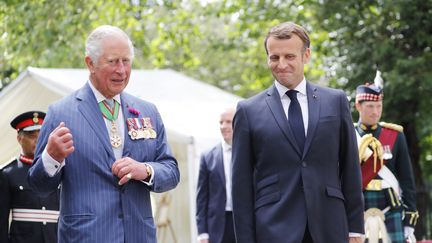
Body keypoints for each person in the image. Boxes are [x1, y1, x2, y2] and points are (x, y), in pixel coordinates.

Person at [28, 25, 180, 243]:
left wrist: (145, 170)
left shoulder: (148, 111)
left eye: (126, 61)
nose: (122, 70)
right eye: (112, 61)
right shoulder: (61, 113)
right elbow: (39, 186)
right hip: (86, 236)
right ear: (90, 63)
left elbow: (172, 172)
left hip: (139, 236)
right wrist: (51, 158)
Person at [231, 21, 364, 243]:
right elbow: (240, 187)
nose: (281, 64)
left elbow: (350, 169)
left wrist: (355, 230)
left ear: (306, 55)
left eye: (289, 56)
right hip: (273, 230)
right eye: (274, 57)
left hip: (330, 227)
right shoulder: (247, 111)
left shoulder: (335, 101)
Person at [355, 74, 418, 243]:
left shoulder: (395, 135)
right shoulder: (348, 135)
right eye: (370, 106)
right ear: (357, 106)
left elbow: (407, 179)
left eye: (379, 106)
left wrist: (410, 216)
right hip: (357, 207)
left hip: (391, 207)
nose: (375, 111)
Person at [0, 111, 59, 243]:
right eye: (32, 136)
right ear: (19, 139)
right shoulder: (8, 173)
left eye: (42, 135)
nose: (38, 141)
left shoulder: (59, 170)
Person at [196, 108, 236, 243]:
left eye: (229, 122)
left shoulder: (249, 153)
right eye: (221, 122)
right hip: (217, 227)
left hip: (244, 225)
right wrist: (202, 233)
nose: (224, 126)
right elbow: (201, 198)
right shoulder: (207, 156)